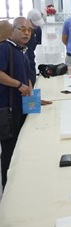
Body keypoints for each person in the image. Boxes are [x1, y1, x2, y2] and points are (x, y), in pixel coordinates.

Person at [0, 17, 32, 189]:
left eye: (29, 30)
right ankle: (8, 189)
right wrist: (19, 85)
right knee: (9, 151)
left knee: (21, 147)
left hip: (21, 107)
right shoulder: (5, 48)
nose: (27, 33)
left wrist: (34, 97)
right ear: (13, 30)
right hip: (8, 109)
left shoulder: (21, 50)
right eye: (22, 29)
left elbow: (25, 77)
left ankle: (19, 184)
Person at [26, 9, 44, 86]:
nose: (36, 26)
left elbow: (35, 44)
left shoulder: (38, 30)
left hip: (31, 56)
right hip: (21, 57)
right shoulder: (22, 31)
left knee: (32, 78)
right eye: (34, 23)